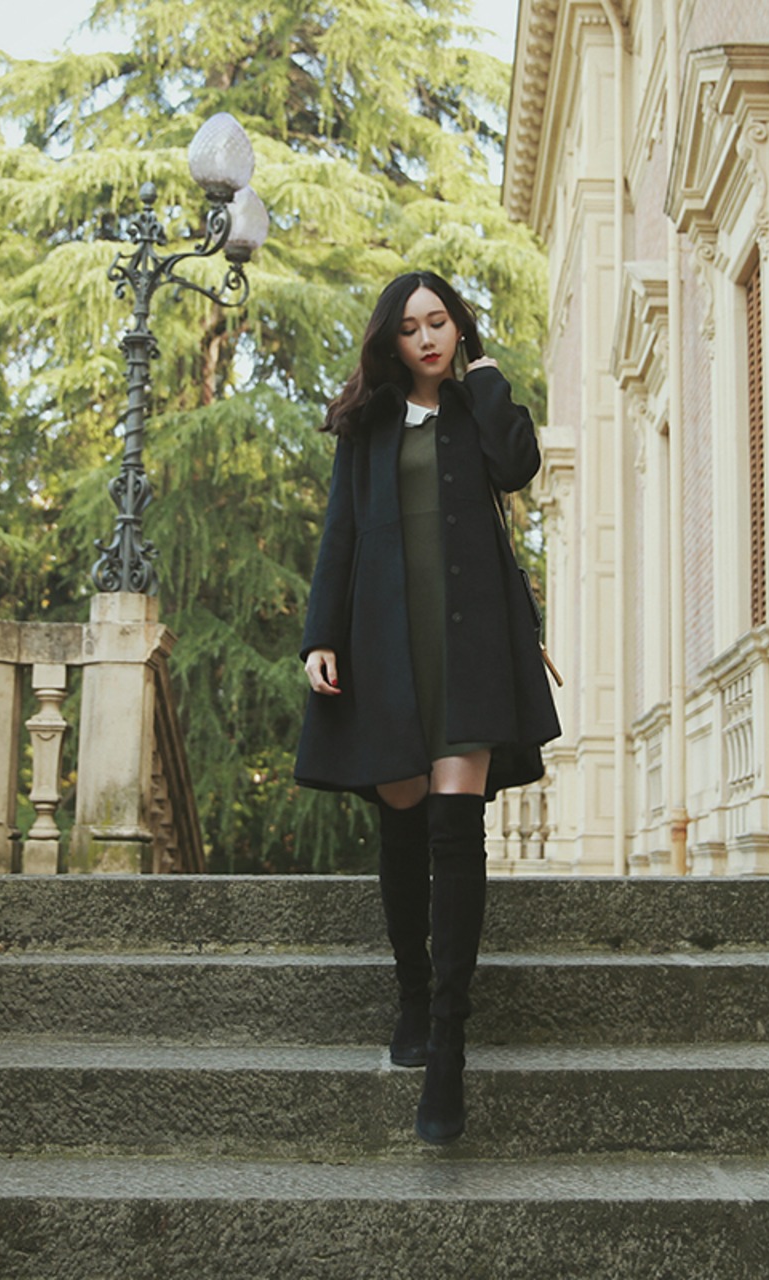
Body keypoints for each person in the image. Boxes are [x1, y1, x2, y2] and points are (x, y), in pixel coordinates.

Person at [295, 271, 561, 1144]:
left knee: (457, 828)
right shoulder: (368, 424)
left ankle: (449, 1040)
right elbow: (341, 529)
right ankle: (413, 992)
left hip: (470, 642)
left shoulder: (477, 406)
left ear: (458, 326)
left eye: (438, 321)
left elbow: (517, 467)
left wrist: (487, 379)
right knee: (404, 821)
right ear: (392, 341)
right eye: (410, 328)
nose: (426, 338)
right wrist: (321, 635)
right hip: (384, 644)